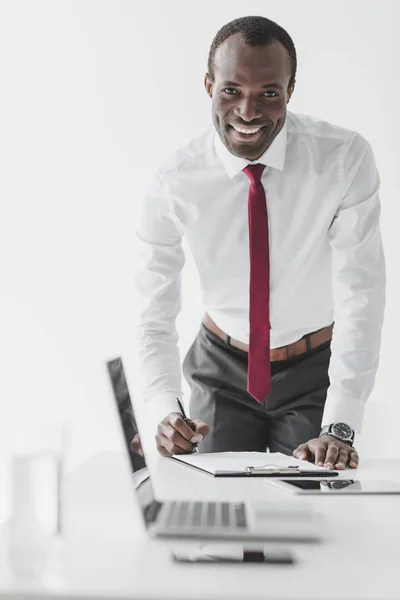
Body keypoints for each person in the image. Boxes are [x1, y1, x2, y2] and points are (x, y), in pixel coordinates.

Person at [133, 15, 386, 470]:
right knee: (216, 522)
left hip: (313, 371)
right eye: (231, 90)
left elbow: (361, 293)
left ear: (289, 90)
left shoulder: (344, 159)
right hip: (219, 369)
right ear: (209, 85)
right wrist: (163, 410)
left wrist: (341, 422)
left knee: (313, 520)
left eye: (268, 93)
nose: (248, 112)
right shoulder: (173, 182)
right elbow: (153, 315)